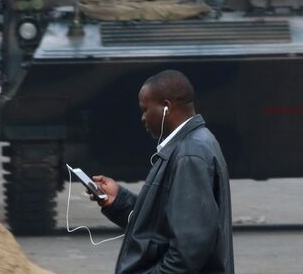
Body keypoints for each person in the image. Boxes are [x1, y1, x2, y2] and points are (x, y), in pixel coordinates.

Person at [91, 70, 234, 273]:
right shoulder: (190, 145)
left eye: (145, 109)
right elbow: (160, 226)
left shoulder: (190, 155)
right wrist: (119, 202)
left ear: (166, 107)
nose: (142, 118)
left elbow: (190, 249)